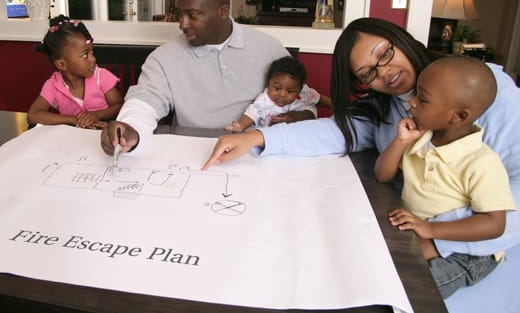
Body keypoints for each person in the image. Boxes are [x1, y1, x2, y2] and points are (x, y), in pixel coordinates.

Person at [203, 17, 520, 306]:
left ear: (401, 39)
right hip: (408, 222)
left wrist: (436, 238)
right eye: (367, 73)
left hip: (467, 242)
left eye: (384, 53)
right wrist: (258, 137)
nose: (383, 71)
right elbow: (334, 131)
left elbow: (507, 198)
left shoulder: (485, 91)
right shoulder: (385, 109)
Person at [100, 0, 291, 155]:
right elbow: (145, 101)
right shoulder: (164, 57)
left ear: (223, 12)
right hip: (191, 155)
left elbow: (303, 100)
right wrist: (130, 128)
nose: (182, 24)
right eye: (179, 14)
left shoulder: (268, 47)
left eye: (192, 15)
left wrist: (295, 119)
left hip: (257, 154)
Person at [374, 56, 515, 299]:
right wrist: (400, 142)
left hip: (467, 255)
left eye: (423, 99)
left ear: (459, 116)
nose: (412, 103)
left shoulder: (481, 162)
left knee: (408, 291)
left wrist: (430, 229)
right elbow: (382, 175)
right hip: (418, 233)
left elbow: (494, 224)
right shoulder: (421, 138)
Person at [27, 15, 123, 129]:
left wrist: (97, 114)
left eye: (91, 52)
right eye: (84, 55)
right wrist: (74, 120)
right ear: (62, 64)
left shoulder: (101, 76)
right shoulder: (53, 85)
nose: (93, 59)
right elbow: (33, 116)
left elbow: (119, 106)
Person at [224, 56, 327, 132]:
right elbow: (252, 113)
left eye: (290, 91)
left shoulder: (305, 93)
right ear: (268, 83)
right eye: (277, 88)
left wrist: (340, 108)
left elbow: (320, 100)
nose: (282, 94)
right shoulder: (265, 99)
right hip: (269, 136)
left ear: (300, 89)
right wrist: (241, 125)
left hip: (297, 134)